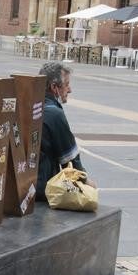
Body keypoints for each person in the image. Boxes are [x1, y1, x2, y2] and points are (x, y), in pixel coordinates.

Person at [35, 61, 86, 199]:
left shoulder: (31, 104)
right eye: (67, 85)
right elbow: (71, 160)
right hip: (44, 188)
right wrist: (86, 183)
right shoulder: (54, 114)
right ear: (54, 87)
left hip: (23, 184)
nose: (69, 90)